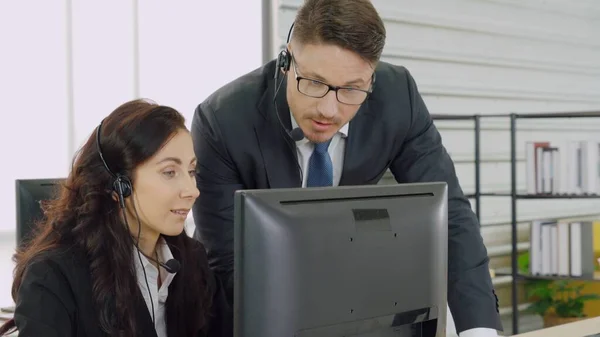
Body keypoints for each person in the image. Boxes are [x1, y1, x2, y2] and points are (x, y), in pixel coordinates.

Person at [191, 0, 502, 336]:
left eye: (352, 89)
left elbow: (451, 217)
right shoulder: (223, 120)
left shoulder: (398, 97)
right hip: (251, 311)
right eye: (312, 82)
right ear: (286, 61)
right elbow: (231, 264)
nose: (328, 109)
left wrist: (478, 330)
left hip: (352, 299)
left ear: (372, 79)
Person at [0, 99, 232, 337]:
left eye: (191, 172)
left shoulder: (191, 261)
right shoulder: (55, 276)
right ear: (119, 185)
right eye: (170, 172)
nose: (192, 190)